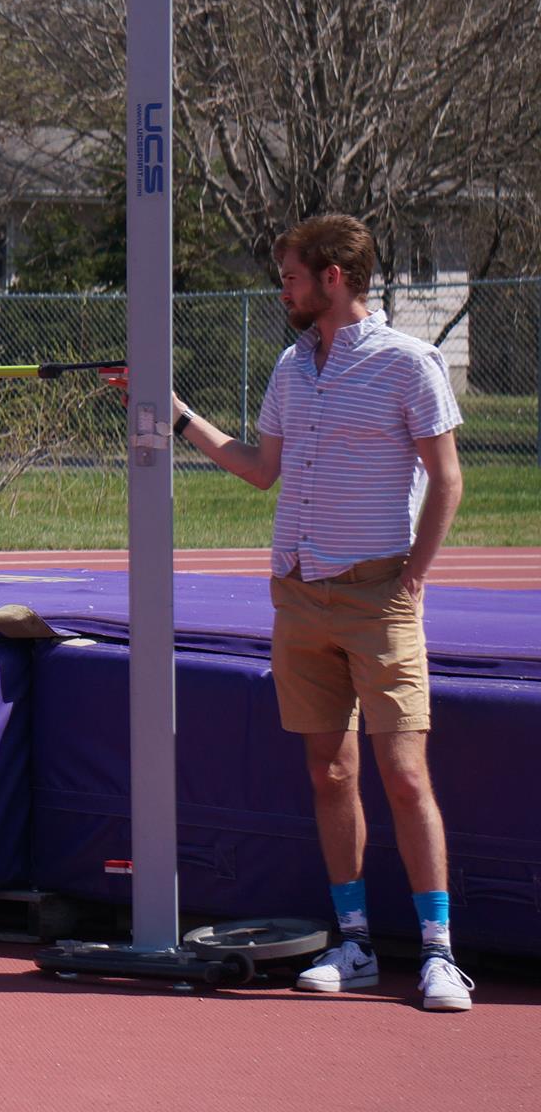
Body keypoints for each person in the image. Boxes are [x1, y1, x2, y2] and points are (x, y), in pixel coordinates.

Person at [107, 212, 471, 1011]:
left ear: (333, 277)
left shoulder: (411, 364)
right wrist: (173, 412)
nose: (286, 290)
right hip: (299, 598)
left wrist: (411, 580)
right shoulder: (292, 366)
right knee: (329, 771)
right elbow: (259, 468)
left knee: (405, 778)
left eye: (294, 277)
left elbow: (447, 479)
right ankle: (355, 943)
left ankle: (441, 954)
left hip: (378, 599)